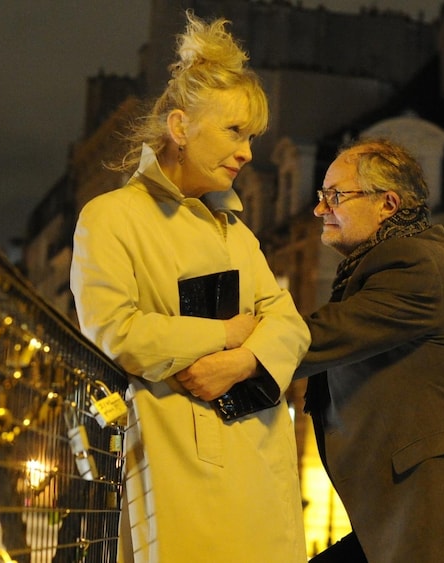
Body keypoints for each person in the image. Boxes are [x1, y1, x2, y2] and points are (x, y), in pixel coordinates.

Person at [69, 12, 310, 563]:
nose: (248, 151)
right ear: (180, 128)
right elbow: (115, 332)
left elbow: (289, 324)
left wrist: (241, 361)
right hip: (179, 468)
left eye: (250, 136)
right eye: (234, 132)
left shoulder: (235, 230)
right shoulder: (109, 218)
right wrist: (227, 331)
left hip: (258, 467)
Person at [295, 138, 444, 563]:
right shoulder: (385, 262)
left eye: (335, 195)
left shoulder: (414, 261)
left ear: (387, 203)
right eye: (320, 195)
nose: (320, 209)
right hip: (426, 523)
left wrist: (236, 341)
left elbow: (323, 337)